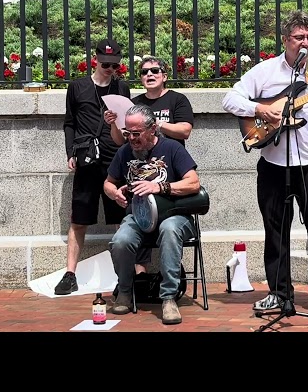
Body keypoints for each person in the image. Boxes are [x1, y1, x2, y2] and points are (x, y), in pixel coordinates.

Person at [221, 9, 308, 316]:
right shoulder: (265, 71)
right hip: (273, 164)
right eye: (299, 37)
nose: (305, 42)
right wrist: (262, 110)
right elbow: (230, 99)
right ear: (285, 40)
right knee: (275, 230)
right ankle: (278, 291)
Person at [104, 103, 201, 325]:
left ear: (152, 129)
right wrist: (114, 193)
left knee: (169, 230)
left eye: (136, 133)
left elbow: (194, 183)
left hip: (174, 215)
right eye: (127, 133)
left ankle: (168, 297)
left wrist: (160, 187)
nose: (131, 138)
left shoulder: (173, 149)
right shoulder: (125, 152)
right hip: (139, 216)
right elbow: (108, 183)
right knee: (120, 240)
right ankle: (126, 292)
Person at [54, 38, 131, 295]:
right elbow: (69, 122)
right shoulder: (77, 87)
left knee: (119, 218)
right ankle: (70, 273)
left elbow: (124, 129)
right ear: (95, 59)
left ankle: (124, 277)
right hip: (87, 158)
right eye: (106, 64)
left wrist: (111, 122)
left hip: (113, 158)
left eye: (115, 66)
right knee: (80, 218)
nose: (110, 69)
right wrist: (70, 152)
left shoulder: (121, 88)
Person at [106, 55, 195, 274]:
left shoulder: (177, 99)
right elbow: (120, 140)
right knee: (138, 213)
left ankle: (170, 281)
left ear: (164, 76)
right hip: (139, 168)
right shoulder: (135, 103)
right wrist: (114, 125)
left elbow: (185, 130)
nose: (149, 75)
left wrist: (157, 125)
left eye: (155, 71)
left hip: (171, 169)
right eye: (145, 72)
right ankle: (139, 278)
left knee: (170, 228)